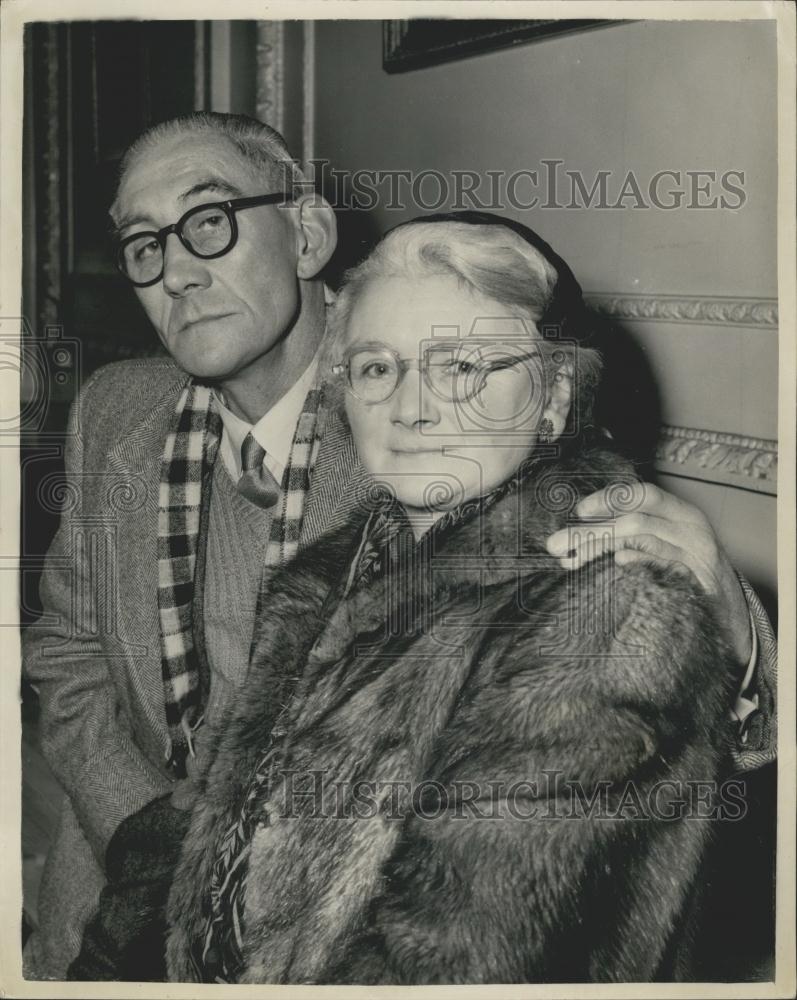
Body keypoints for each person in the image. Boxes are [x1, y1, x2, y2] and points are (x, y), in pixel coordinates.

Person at [23, 113, 775, 980]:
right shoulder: (125, 415)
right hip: (127, 917)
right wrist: (156, 862)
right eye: (142, 245)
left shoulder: (466, 483)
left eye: (209, 220)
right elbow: (67, 647)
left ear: (306, 233)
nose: (179, 272)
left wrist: (742, 637)